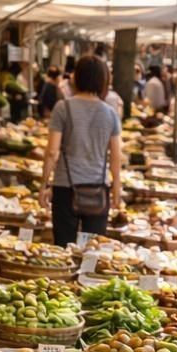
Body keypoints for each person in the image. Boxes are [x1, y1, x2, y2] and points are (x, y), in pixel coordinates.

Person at [43, 54, 123, 246]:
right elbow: (116, 156)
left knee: (63, 249)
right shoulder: (110, 113)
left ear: (76, 77)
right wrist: (117, 188)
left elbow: (52, 152)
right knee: (92, 251)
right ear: (104, 80)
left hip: (65, 188)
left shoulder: (62, 108)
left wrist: (44, 184)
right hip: (97, 188)